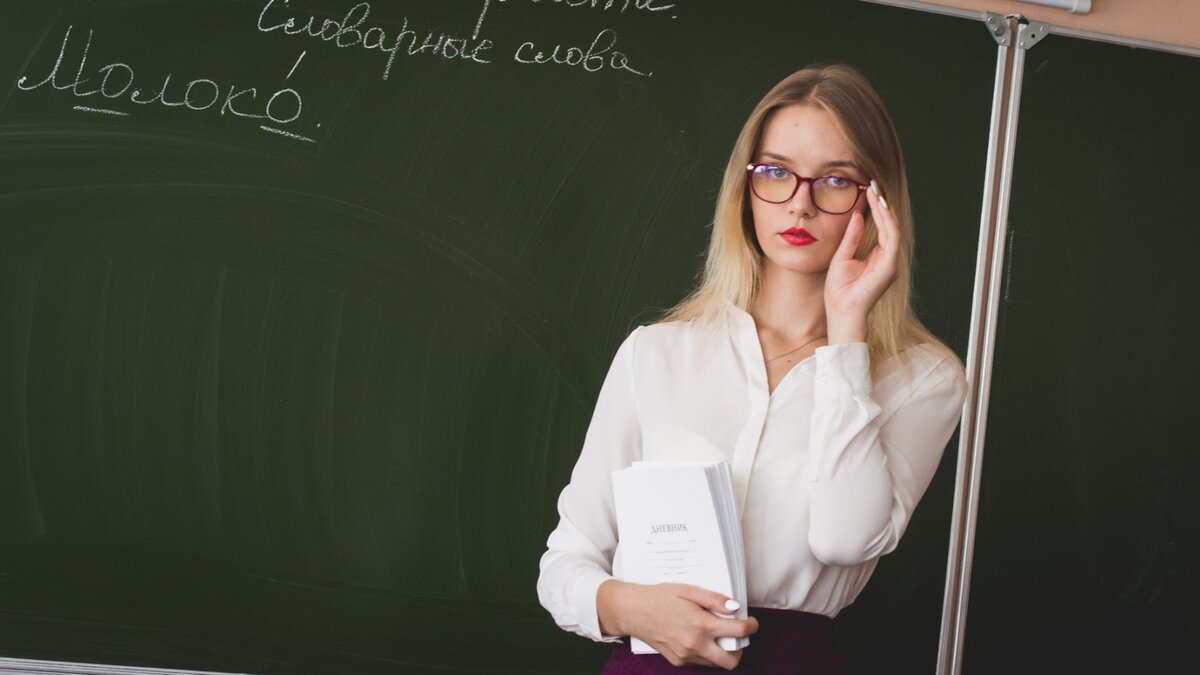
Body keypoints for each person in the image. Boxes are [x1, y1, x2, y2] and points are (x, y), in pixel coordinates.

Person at [537, 64, 966, 673]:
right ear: (746, 186)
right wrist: (631, 609)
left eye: (836, 180)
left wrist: (847, 337)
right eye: (776, 172)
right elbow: (565, 564)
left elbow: (844, 539)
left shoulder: (924, 379)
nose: (801, 203)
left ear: (877, 201)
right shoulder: (656, 354)